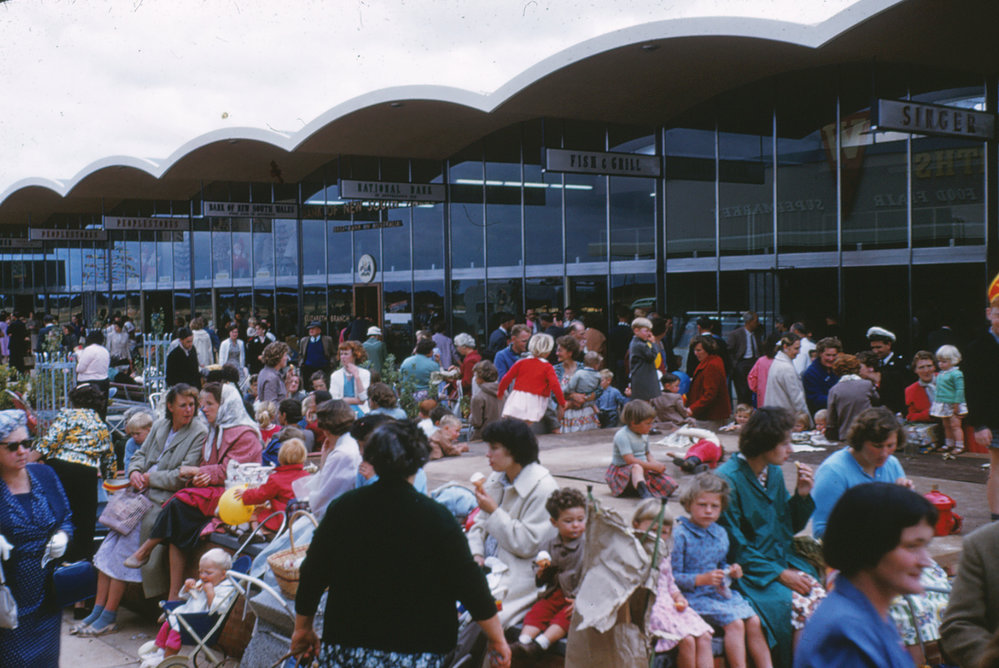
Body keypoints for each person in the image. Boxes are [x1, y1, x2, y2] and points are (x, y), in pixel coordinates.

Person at [290, 420, 511, 667]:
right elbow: (469, 582)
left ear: (371, 456)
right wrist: (496, 637)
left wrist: (303, 628)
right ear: (420, 460)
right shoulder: (437, 518)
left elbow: (313, 572)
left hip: (348, 645)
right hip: (419, 651)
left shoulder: (343, 509)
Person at [77, 384, 207, 637]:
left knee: (121, 554)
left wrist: (149, 478)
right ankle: (98, 609)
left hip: (160, 502)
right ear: (170, 406)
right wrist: (135, 472)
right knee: (106, 551)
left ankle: (109, 614)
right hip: (137, 496)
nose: (189, 410)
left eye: (192, 405)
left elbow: (182, 476)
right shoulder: (160, 425)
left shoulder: (198, 433)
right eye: (183, 405)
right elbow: (139, 455)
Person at [125, 382, 261, 600]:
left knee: (178, 504)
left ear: (224, 405)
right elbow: (209, 467)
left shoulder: (244, 434)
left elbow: (232, 470)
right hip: (213, 490)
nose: (202, 409)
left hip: (235, 494)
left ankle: (146, 552)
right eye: (202, 404)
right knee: (178, 524)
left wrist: (200, 471)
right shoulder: (215, 430)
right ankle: (172, 596)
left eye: (208, 404)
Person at [716, 406, 823, 668]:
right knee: (797, 608)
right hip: (750, 574)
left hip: (780, 561)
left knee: (821, 601)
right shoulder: (727, 480)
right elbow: (735, 546)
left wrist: (802, 495)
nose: (791, 450)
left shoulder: (772, 472)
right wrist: (780, 573)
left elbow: (786, 526)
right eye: (785, 443)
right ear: (765, 443)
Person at [795, 483, 936, 668]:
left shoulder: (868, 613)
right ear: (870, 547)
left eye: (925, 546)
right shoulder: (846, 636)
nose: (926, 561)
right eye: (912, 546)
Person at [672, 473, 771, 668]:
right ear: (689, 504)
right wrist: (701, 579)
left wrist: (730, 571)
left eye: (714, 506)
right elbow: (672, 578)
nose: (708, 510)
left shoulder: (719, 533)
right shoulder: (681, 534)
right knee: (735, 623)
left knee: (753, 620)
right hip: (693, 596)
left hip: (718, 594)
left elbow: (720, 565)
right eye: (702, 505)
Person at [468, 418, 559, 626]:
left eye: (494, 448)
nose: (487, 454)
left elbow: (527, 544)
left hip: (518, 573)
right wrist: (476, 554)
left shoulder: (543, 488)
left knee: (486, 618)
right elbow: (478, 525)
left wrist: (494, 511)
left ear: (515, 450)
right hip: (484, 566)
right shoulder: (496, 478)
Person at [0, 410, 72, 665]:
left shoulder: (45, 475)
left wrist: (63, 535)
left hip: (47, 594)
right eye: (12, 446)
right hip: (8, 597)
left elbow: (65, 517)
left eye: (26, 444)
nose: (22, 451)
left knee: (46, 660)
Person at [33, 383, 114, 563]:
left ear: (74, 401)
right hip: (87, 472)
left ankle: (57, 555)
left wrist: (30, 459)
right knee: (85, 518)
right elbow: (109, 455)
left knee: (61, 513)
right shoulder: (100, 424)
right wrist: (110, 480)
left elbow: (49, 441)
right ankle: (81, 561)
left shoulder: (66, 416)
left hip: (61, 469)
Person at [634, 501, 714, 668]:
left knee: (705, 635)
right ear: (636, 525)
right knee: (687, 640)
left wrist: (679, 597)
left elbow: (670, 584)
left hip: (670, 606)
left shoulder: (664, 553)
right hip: (651, 607)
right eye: (653, 530)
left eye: (663, 532)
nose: (657, 537)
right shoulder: (634, 553)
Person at [511, 488, 587, 664]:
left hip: (576, 598)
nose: (575, 525)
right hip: (555, 594)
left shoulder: (588, 546)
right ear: (554, 522)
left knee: (565, 619)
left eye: (580, 520)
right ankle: (523, 643)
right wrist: (541, 571)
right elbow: (541, 579)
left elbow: (595, 578)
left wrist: (582, 600)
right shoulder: (549, 546)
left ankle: (540, 645)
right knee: (537, 611)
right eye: (568, 521)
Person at [811, 406, 911, 538]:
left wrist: (906, 500)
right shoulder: (833, 471)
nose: (884, 453)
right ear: (860, 440)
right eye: (877, 446)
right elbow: (821, 531)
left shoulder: (892, 463)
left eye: (890, 445)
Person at [138, 549, 237, 667]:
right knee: (167, 625)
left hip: (199, 622)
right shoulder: (203, 582)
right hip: (186, 614)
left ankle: (166, 659)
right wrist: (187, 587)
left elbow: (217, 610)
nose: (202, 576)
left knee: (174, 634)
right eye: (201, 572)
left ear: (223, 575)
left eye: (208, 573)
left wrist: (210, 593)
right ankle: (159, 650)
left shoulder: (225, 589)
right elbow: (184, 596)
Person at [965, 287, 999, 518]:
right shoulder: (976, 348)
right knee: (997, 466)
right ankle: (997, 518)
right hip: (994, 418)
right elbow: (973, 389)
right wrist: (979, 424)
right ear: (989, 313)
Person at [605, 399, 676, 499]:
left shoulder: (644, 434)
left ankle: (641, 486)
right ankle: (644, 492)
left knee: (670, 484)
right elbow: (629, 460)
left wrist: (655, 464)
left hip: (644, 469)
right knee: (636, 467)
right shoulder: (622, 435)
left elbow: (647, 454)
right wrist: (652, 466)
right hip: (623, 473)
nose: (650, 426)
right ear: (634, 423)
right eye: (647, 423)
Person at [236, 438, 310, 531]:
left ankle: (259, 532)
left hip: (282, 519)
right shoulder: (306, 476)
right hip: (302, 519)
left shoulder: (276, 478)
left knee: (257, 512)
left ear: (280, 458)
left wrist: (245, 494)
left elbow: (260, 495)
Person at [498, 333, 566, 424]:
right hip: (535, 399)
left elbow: (507, 378)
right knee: (527, 424)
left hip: (517, 396)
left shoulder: (521, 362)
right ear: (548, 351)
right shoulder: (547, 367)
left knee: (516, 424)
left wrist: (500, 392)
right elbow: (555, 385)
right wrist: (562, 402)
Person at [825, 353, 879, 442]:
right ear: (857, 368)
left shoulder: (834, 390)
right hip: (867, 434)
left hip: (846, 436)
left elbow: (831, 420)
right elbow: (877, 402)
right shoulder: (867, 385)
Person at [553, 335, 599, 433]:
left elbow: (596, 390)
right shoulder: (555, 370)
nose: (557, 353)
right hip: (565, 416)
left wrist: (579, 400)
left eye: (560, 350)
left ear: (570, 353)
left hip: (584, 414)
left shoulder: (584, 368)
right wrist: (572, 396)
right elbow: (553, 393)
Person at [763, 333, 810, 428]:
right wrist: (808, 420)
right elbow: (797, 398)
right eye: (796, 348)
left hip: (774, 416)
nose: (799, 352)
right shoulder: (786, 368)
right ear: (785, 347)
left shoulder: (777, 362)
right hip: (784, 418)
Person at [686, 334, 731, 431]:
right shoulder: (713, 361)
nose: (695, 353)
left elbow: (710, 394)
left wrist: (692, 409)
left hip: (710, 416)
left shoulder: (711, 365)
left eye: (699, 350)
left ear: (708, 349)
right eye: (695, 350)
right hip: (709, 414)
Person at [932, 344, 967, 454]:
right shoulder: (941, 374)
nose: (940, 364)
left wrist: (957, 403)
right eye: (939, 361)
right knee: (946, 425)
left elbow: (960, 389)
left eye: (944, 361)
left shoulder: (956, 374)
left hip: (953, 403)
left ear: (953, 361)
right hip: (942, 402)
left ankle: (960, 445)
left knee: (955, 425)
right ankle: (949, 444)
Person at [867, 326, 910, 415]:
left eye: (879, 347)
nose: (875, 351)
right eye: (873, 348)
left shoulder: (900, 363)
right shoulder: (873, 363)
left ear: (888, 345)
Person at [727, 311, 764, 406]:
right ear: (749, 321)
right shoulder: (735, 334)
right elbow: (729, 351)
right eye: (756, 321)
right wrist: (734, 365)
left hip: (755, 362)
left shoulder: (758, 333)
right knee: (743, 392)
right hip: (742, 363)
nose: (758, 323)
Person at [328, 340, 371, 416]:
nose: (342, 357)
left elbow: (363, 398)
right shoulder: (335, 375)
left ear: (354, 356)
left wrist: (357, 377)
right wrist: (357, 400)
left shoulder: (365, 373)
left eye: (346, 354)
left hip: (361, 412)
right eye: (341, 354)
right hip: (341, 411)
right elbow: (334, 399)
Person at [801, 337, 841, 415]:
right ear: (820, 354)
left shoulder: (837, 369)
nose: (831, 358)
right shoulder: (811, 373)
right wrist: (839, 399)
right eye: (828, 355)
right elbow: (815, 399)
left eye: (834, 355)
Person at [629, 317, 662, 401]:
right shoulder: (639, 345)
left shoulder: (640, 343)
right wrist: (654, 343)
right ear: (636, 331)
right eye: (646, 331)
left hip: (643, 377)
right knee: (645, 404)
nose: (649, 334)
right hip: (643, 379)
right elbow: (651, 356)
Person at [469, 360, 502, 440]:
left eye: (476, 376)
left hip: (483, 436)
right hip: (502, 434)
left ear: (480, 378)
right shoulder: (505, 393)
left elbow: (476, 422)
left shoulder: (478, 397)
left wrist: (470, 417)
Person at [747, 332, 780, 407]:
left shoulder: (761, 361)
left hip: (763, 397)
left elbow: (751, 378)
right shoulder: (783, 362)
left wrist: (759, 390)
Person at [298, 321, 334, 387]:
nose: (311, 330)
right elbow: (301, 354)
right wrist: (301, 363)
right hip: (308, 369)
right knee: (308, 387)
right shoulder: (304, 340)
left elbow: (332, 353)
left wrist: (332, 363)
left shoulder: (327, 340)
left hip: (323, 368)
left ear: (319, 330)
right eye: (310, 329)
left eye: (313, 328)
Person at [77, 329, 112, 396]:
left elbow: (80, 369)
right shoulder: (105, 351)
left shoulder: (88, 350)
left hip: (88, 382)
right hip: (103, 381)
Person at [905, 350, 937, 423]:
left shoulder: (946, 380)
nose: (926, 370)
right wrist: (929, 413)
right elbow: (911, 417)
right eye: (921, 367)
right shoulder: (910, 390)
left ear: (934, 367)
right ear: (915, 370)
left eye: (929, 366)